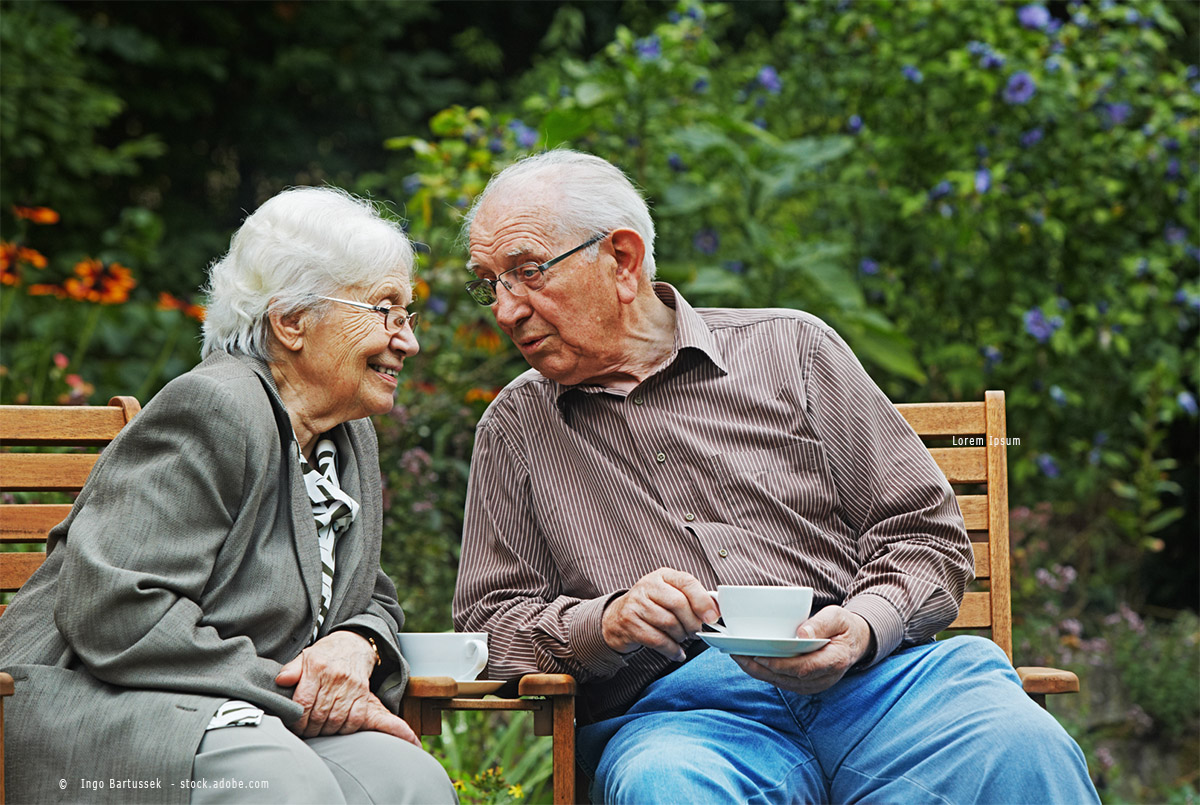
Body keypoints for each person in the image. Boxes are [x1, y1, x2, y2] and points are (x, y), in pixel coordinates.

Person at [452, 150, 1100, 803]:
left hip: (880, 689)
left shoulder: (792, 349)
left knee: (1019, 742)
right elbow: (487, 625)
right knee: (666, 786)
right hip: (688, 723)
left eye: (528, 272)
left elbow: (923, 533)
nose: (506, 311)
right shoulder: (516, 428)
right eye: (490, 284)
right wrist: (607, 621)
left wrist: (863, 624)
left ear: (621, 260)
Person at [0, 187, 456, 804]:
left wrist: (360, 642)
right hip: (103, 705)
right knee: (278, 783)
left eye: (407, 315)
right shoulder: (214, 407)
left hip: (245, 708)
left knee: (410, 781)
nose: (408, 341)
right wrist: (293, 686)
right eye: (384, 311)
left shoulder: (347, 435)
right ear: (291, 321)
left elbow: (368, 590)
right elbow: (116, 608)